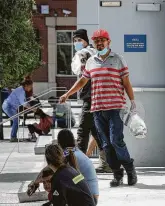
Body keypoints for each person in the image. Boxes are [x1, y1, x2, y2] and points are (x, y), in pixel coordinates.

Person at [59, 29, 137, 187]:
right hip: (97, 109)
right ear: (94, 43)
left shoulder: (118, 59)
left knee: (116, 141)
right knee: (106, 144)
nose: (100, 43)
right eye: (97, 41)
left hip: (116, 107)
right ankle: (117, 174)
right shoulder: (90, 61)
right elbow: (82, 81)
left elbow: (126, 82)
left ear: (109, 42)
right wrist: (67, 94)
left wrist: (133, 101)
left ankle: (129, 169)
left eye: (103, 40)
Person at [72, 29, 111, 173]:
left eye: (79, 40)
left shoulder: (84, 54)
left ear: (86, 41)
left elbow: (84, 77)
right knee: (96, 131)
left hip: (90, 98)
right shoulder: (94, 53)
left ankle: (79, 166)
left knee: (82, 131)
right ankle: (107, 163)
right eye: (75, 41)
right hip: (96, 97)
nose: (77, 43)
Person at [57, 129, 99, 204]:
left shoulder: (71, 156)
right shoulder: (74, 151)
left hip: (89, 199)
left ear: (59, 143)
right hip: (91, 196)